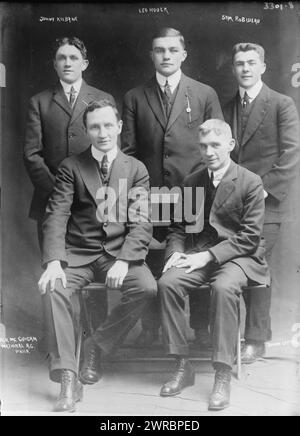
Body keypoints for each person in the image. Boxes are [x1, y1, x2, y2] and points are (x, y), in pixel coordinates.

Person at [38, 100, 157, 412]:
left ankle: (96, 346)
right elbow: (57, 215)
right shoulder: (71, 166)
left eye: (108, 125)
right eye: (95, 127)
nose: (102, 133)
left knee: (146, 288)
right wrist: (53, 262)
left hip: (118, 254)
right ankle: (68, 377)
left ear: (118, 127)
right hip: (79, 254)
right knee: (54, 288)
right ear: (86, 130)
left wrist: (124, 259)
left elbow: (142, 220)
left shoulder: (136, 169)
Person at [157, 119, 270, 410]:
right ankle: (182, 364)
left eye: (216, 145)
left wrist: (206, 256)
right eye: (204, 146)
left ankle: (222, 373)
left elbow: (250, 237)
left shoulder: (250, 181)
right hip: (199, 254)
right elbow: (180, 228)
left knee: (222, 288)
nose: (209, 152)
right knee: (168, 282)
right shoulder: (192, 181)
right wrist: (174, 254)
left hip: (239, 257)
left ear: (230, 145)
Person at [121, 27, 224, 346]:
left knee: (194, 253)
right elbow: (127, 150)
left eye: (171, 50)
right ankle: (151, 331)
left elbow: (217, 145)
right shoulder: (135, 96)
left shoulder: (204, 93)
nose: (166, 56)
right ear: (151, 55)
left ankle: (202, 330)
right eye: (159, 50)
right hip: (150, 194)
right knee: (151, 258)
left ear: (183, 54)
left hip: (195, 194)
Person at [223, 42, 300, 363]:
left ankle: (255, 338)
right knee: (231, 267)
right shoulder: (227, 107)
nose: (245, 68)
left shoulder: (282, 104)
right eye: (239, 63)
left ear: (263, 67)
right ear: (234, 68)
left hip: (266, 204)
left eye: (251, 62)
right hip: (230, 204)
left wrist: (262, 190)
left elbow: (292, 153)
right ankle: (227, 335)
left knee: (256, 265)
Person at [24, 36, 115, 247]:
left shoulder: (104, 99)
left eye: (73, 58)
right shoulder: (39, 102)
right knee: (54, 265)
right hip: (52, 199)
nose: (67, 63)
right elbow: (31, 154)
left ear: (84, 64)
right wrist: (57, 189)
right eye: (62, 58)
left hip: (94, 199)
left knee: (92, 264)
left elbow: (110, 151)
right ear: (55, 64)